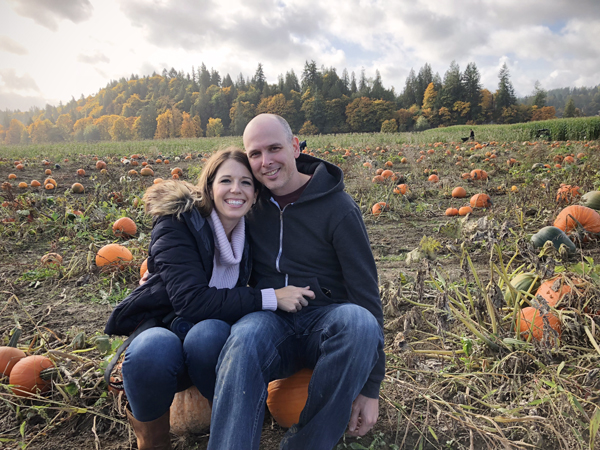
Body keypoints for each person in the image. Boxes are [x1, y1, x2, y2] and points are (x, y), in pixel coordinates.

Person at [104, 147, 314, 450]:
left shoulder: (253, 234)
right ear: (209, 187)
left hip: (209, 346)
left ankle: (226, 428)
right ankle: (153, 443)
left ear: (255, 194)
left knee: (208, 334)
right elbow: (191, 301)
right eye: (226, 180)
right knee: (151, 349)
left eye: (246, 182)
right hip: (166, 326)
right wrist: (270, 298)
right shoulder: (177, 222)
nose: (236, 189)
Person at [208, 115, 385, 450]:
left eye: (274, 148)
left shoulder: (339, 208)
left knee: (360, 322)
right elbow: (202, 221)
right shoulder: (248, 201)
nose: (266, 161)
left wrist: (370, 388)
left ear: (294, 147)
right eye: (255, 154)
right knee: (244, 337)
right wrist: (161, 266)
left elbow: (366, 294)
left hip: (325, 322)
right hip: (270, 319)